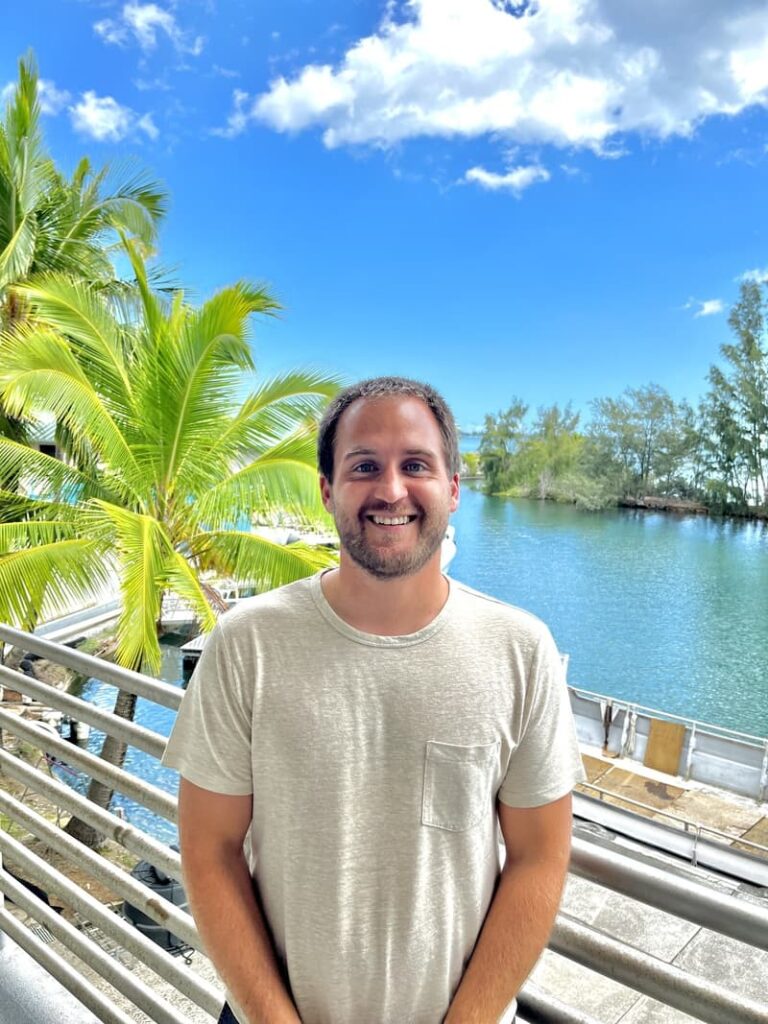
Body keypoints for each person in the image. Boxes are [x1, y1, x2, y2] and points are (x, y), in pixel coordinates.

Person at [162, 376, 585, 1024]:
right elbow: (209, 849)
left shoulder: (520, 651)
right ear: (328, 490)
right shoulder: (247, 645)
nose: (391, 489)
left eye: (416, 464)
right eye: (365, 467)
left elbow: (538, 857)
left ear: (452, 489)